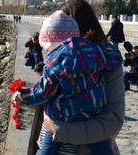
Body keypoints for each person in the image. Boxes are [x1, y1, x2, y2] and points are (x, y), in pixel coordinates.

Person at [12, 5, 124, 155]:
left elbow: (113, 121)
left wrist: (57, 129)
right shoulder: (101, 56)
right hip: (63, 135)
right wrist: (25, 101)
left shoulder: (93, 56)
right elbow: (54, 95)